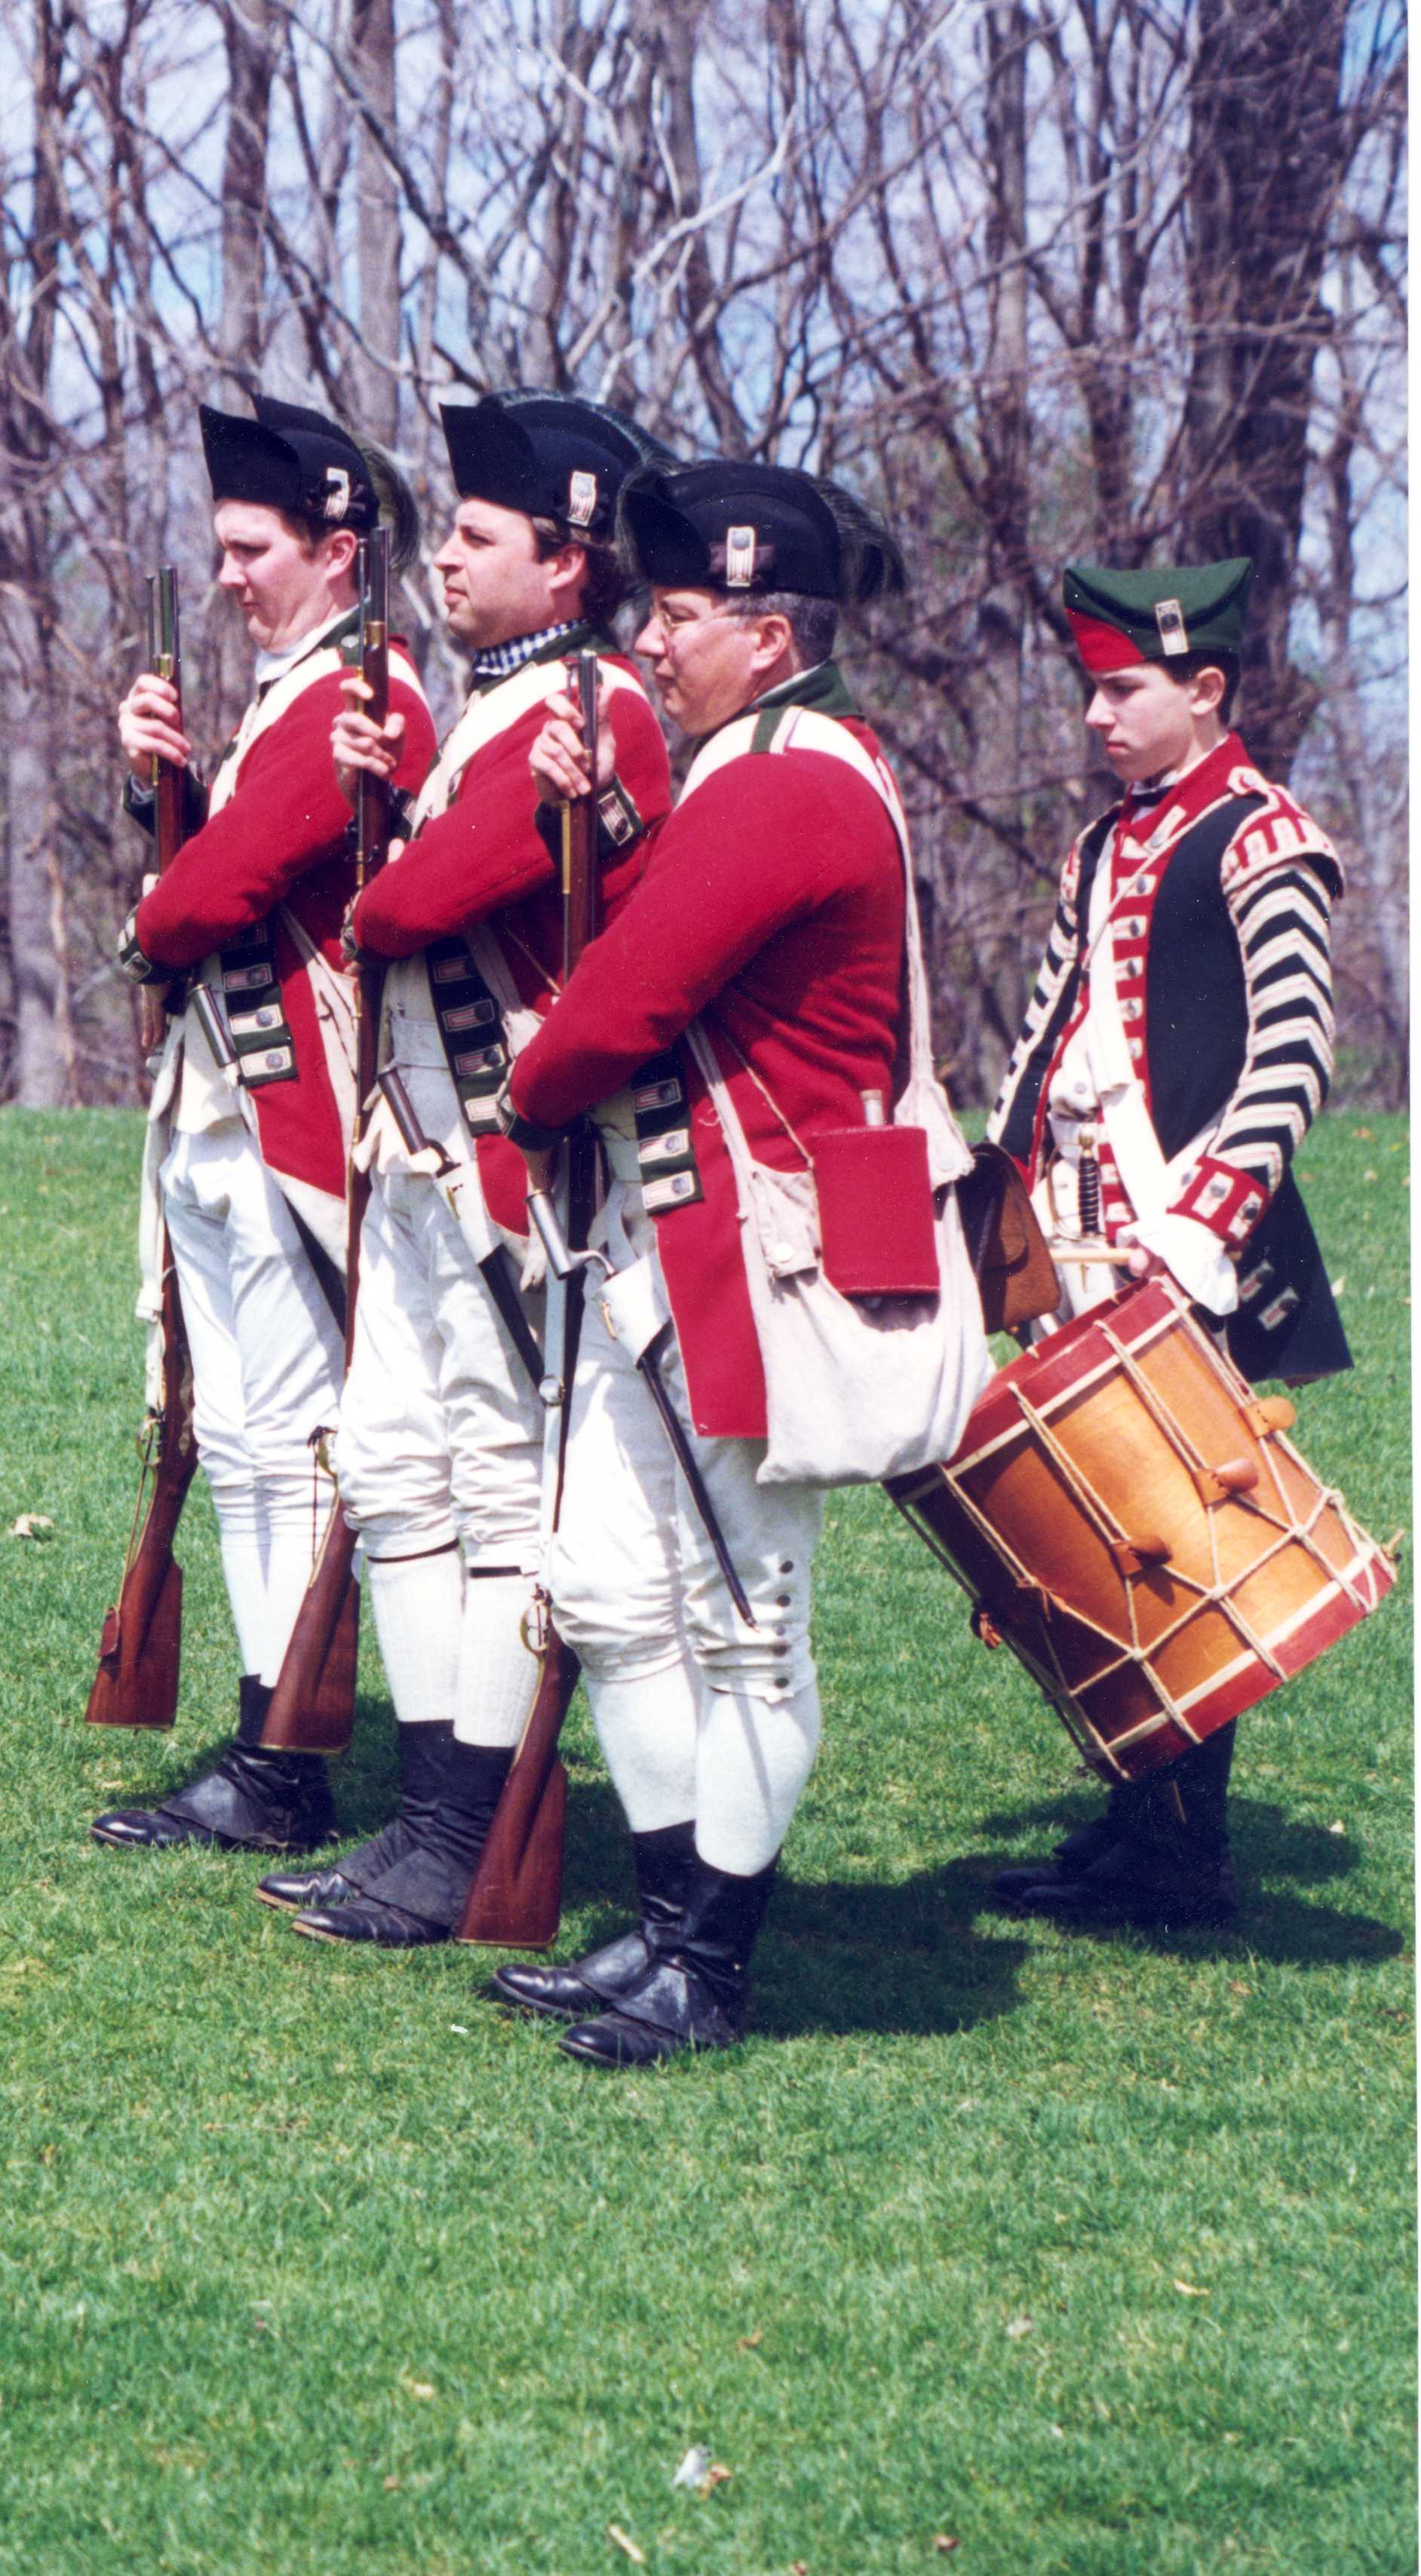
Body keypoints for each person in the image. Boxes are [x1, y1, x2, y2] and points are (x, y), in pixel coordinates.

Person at [485, 457, 916, 2066]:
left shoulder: (785, 777)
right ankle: (664, 1930)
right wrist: (594, 816)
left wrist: (526, 1091)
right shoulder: (762, 766)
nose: (650, 647)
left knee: (745, 1621)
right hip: (675, 1240)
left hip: (746, 1252)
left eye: (678, 616)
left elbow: (625, 997)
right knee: (613, 1590)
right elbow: (664, 925)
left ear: (767, 626)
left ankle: (710, 1966)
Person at [254, 391, 674, 1949]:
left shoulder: (594, 708)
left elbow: (429, 897)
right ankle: (428, 1817)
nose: (449, 558)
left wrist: (388, 862)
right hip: (415, 1155)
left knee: (498, 1478)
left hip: (504, 1168)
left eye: (482, 536)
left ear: (564, 567)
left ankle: (467, 1822)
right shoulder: (500, 704)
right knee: (393, 1465)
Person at [91, 395, 436, 1857]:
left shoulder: (372, 700)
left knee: (289, 1439)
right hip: (219, 1115)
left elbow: (207, 900)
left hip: (297, 1128)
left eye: (254, 549)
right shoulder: (290, 700)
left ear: (336, 549)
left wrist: (154, 902)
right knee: (230, 1435)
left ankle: (285, 1761)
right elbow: (209, 865)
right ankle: (259, 1732)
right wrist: (153, 779)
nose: (229, 574)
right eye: (224, 550)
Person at [985, 555, 1348, 1930]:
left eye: (1123, 690)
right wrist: (1003, 1195)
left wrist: (1201, 1228)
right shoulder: (1101, 844)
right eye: (1092, 689)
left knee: (1179, 1535)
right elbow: (1048, 1031)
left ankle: (1181, 1858)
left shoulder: (1263, 832)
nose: (1096, 716)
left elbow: (1296, 1055)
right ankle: (1140, 1817)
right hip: (1082, 1231)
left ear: (1203, 690)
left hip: (1191, 1238)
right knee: (1101, 1526)